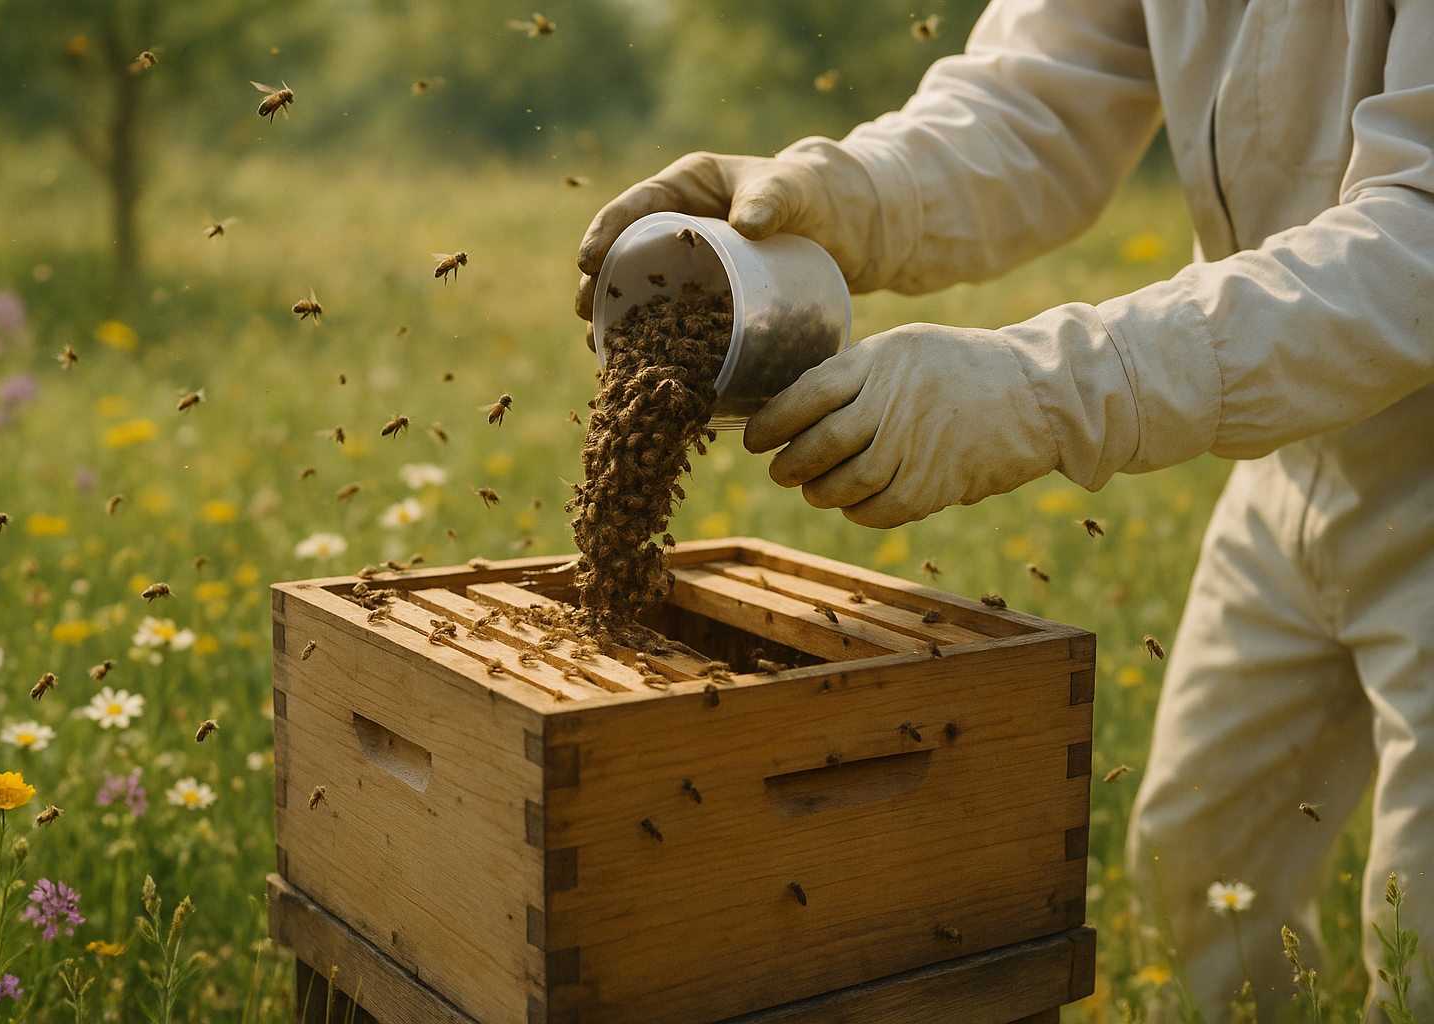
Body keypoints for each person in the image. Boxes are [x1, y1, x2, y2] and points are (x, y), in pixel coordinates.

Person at [573, 0, 1434, 1020]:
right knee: (1198, 872)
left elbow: (1417, 236)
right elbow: (1037, 98)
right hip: (1294, 464)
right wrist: (853, 191)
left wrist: (1042, 390)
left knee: (1421, 956)